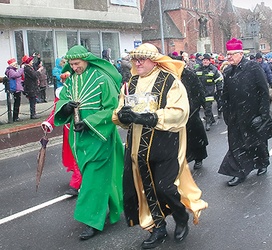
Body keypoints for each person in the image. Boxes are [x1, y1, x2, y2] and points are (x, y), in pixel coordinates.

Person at [112, 43, 208, 249]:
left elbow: (179, 112)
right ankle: (158, 227)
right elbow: (121, 111)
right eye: (135, 59)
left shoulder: (170, 81)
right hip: (139, 147)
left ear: (153, 61)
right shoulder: (131, 83)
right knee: (147, 189)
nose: (137, 63)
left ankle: (181, 217)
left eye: (142, 59)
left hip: (165, 144)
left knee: (165, 188)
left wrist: (149, 117)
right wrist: (122, 116)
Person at [53, 45, 124, 240]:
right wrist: (65, 108)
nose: (74, 67)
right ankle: (113, 204)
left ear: (87, 60)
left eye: (77, 63)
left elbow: (112, 109)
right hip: (78, 139)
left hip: (99, 136)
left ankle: (92, 220)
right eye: (72, 64)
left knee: (92, 180)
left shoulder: (102, 79)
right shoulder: (72, 81)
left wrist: (90, 122)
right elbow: (62, 102)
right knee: (96, 178)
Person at [218, 38, 272, 186]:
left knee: (257, 143)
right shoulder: (228, 71)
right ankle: (239, 172)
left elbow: (264, 92)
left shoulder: (254, 68)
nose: (229, 57)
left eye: (232, 54)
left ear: (240, 54)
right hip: (235, 116)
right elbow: (225, 95)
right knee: (236, 145)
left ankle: (263, 162)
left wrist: (263, 115)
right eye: (228, 54)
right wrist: (225, 112)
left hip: (252, 114)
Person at [41, 87, 82, 196]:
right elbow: (57, 110)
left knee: (80, 155)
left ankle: (76, 183)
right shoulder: (63, 91)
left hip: (85, 128)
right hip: (69, 129)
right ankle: (80, 178)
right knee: (74, 155)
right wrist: (49, 123)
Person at [172, 54, 208, 170]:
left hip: (191, 111)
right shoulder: (170, 77)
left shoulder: (190, 75)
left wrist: (195, 107)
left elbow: (199, 91)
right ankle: (183, 158)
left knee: (196, 136)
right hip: (177, 113)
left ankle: (199, 158)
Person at [195, 53, 223, 131]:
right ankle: (211, 119)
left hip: (209, 92)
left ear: (209, 61)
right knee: (204, 107)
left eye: (207, 60)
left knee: (207, 107)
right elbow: (194, 80)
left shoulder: (213, 69)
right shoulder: (198, 69)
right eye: (204, 60)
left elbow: (218, 80)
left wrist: (219, 90)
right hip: (200, 92)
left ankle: (208, 123)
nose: (205, 62)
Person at [21, 55, 39, 119]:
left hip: (32, 87)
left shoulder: (29, 68)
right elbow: (33, 75)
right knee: (32, 100)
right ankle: (33, 114)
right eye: (31, 61)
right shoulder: (27, 68)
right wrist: (38, 72)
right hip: (30, 87)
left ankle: (33, 113)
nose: (32, 62)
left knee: (33, 100)